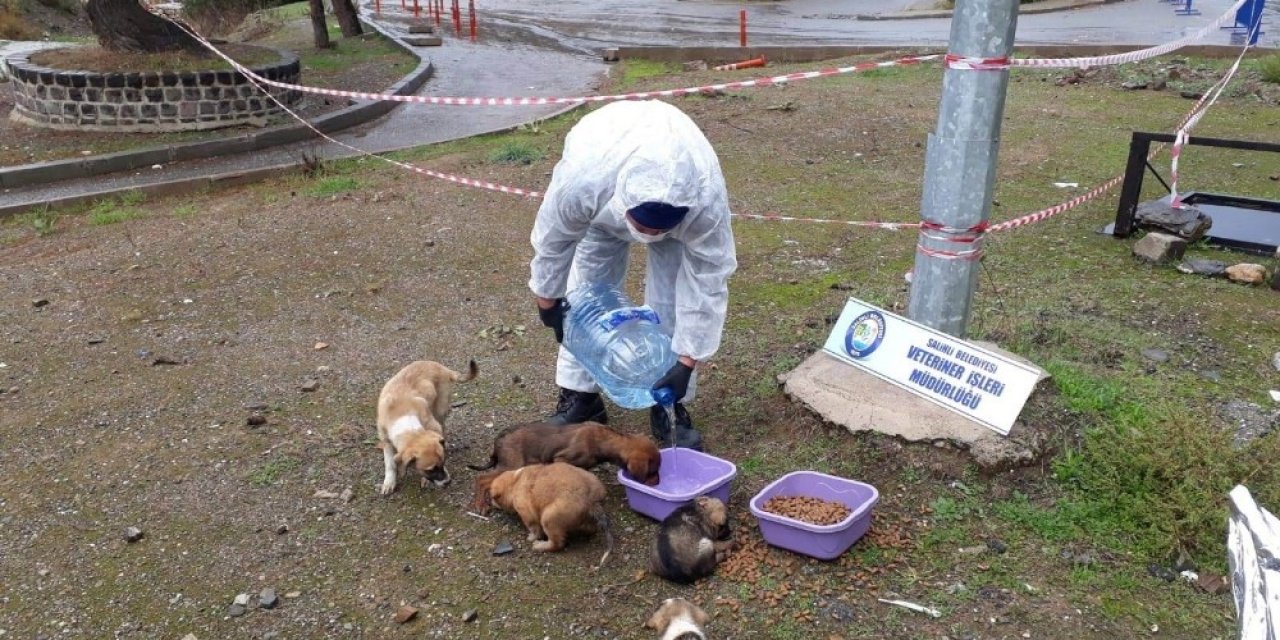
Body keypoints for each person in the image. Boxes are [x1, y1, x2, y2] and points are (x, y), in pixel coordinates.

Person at [528, 100, 737, 451]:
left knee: (670, 296)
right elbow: (554, 239)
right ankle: (581, 398)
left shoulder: (704, 200)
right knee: (589, 291)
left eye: (657, 231)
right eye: (642, 228)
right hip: (603, 203)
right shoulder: (585, 180)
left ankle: (667, 402)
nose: (648, 237)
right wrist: (548, 299)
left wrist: (687, 360)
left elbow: (708, 278)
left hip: (679, 217)